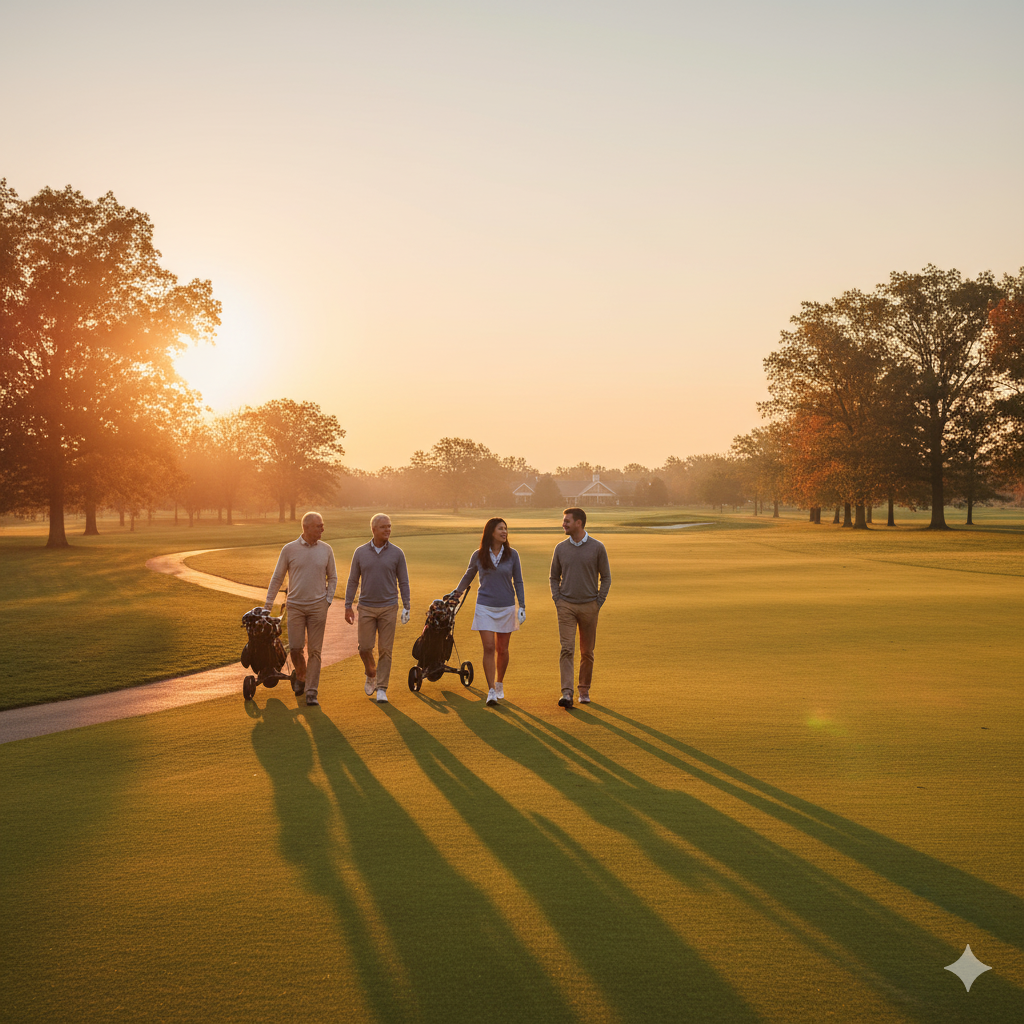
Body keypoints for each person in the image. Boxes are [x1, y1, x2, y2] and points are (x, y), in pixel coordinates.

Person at [264, 511, 337, 708]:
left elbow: (333, 578)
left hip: (317, 607)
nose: (322, 529)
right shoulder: (289, 549)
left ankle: (312, 691)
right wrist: (267, 606)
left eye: (322, 525)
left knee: (315, 651)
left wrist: (327, 601)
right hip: (295, 606)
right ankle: (301, 676)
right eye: (318, 526)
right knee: (296, 648)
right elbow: (277, 577)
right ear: (306, 528)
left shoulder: (326, 549)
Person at [455, 518, 526, 707]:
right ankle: (491, 690)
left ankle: (499, 682)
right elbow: (468, 575)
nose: (504, 532)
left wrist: (523, 606)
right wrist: (456, 594)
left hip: (506, 606)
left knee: (502, 649)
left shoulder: (513, 555)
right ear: (491, 532)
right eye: (500, 529)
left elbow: (518, 581)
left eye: (506, 529)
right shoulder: (479, 555)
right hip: (484, 606)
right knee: (489, 648)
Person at [344, 513, 411, 703]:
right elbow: (352, 581)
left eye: (389, 526)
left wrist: (406, 605)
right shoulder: (360, 552)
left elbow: (403, 581)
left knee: (385, 650)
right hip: (366, 607)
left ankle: (382, 688)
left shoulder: (397, 553)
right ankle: (371, 673)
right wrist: (348, 605)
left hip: (389, 607)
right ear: (373, 529)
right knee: (364, 648)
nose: (388, 530)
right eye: (383, 527)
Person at [549, 507, 611, 708]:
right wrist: (557, 599)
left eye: (567, 521)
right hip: (565, 605)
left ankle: (584, 689)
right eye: (563, 520)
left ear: (579, 523)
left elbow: (606, 577)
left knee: (587, 651)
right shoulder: (560, 548)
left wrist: (598, 602)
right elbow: (553, 577)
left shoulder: (597, 547)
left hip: (589, 606)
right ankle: (567, 693)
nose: (563, 524)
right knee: (566, 648)